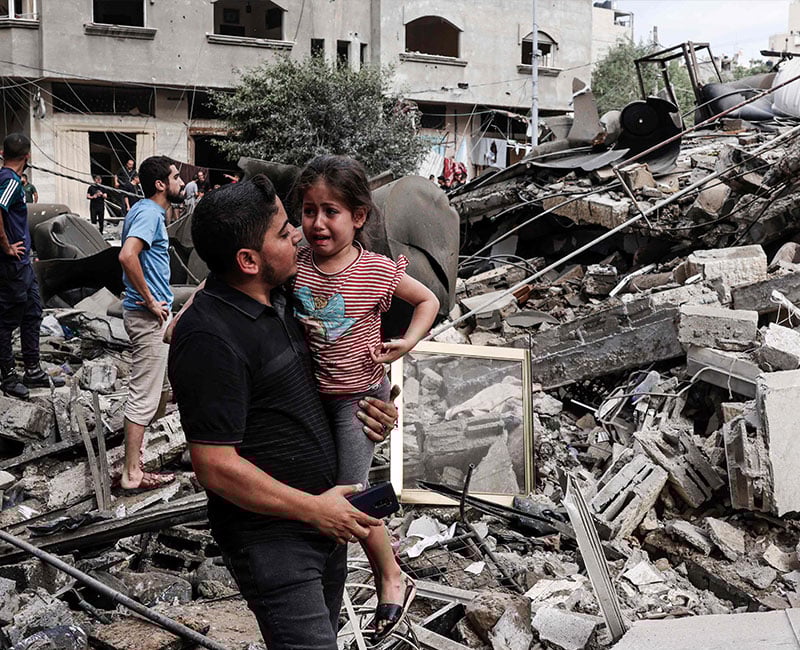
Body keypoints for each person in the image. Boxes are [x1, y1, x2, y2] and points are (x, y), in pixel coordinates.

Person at [168, 174, 398, 650]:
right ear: (248, 260)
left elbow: (344, 362)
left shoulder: (288, 295)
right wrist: (314, 509)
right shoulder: (209, 338)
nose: (299, 233)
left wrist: (375, 407)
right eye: (282, 231)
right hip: (274, 540)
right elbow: (215, 465)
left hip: (325, 521)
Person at [292, 155, 439, 641]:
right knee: (327, 490)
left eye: (330, 211)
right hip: (314, 395)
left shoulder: (376, 270)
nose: (317, 223)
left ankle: (390, 575)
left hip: (360, 397)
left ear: (358, 217)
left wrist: (410, 341)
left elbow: (428, 300)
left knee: (350, 494)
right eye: (309, 210)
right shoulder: (295, 264)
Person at [118, 156, 184, 491]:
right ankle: (132, 474)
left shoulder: (148, 211)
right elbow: (127, 255)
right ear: (160, 184)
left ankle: (138, 460)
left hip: (152, 314)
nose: (181, 182)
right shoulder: (147, 212)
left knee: (157, 395)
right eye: (175, 177)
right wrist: (149, 300)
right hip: (147, 317)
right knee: (144, 395)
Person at [0, 134, 64, 399]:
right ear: (27, 156)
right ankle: (7, 376)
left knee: (33, 312)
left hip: (22, 263)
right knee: (7, 320)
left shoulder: (8, 179)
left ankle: (33, 369)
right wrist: (6, 245)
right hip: (12, 263)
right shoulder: (10, 181)